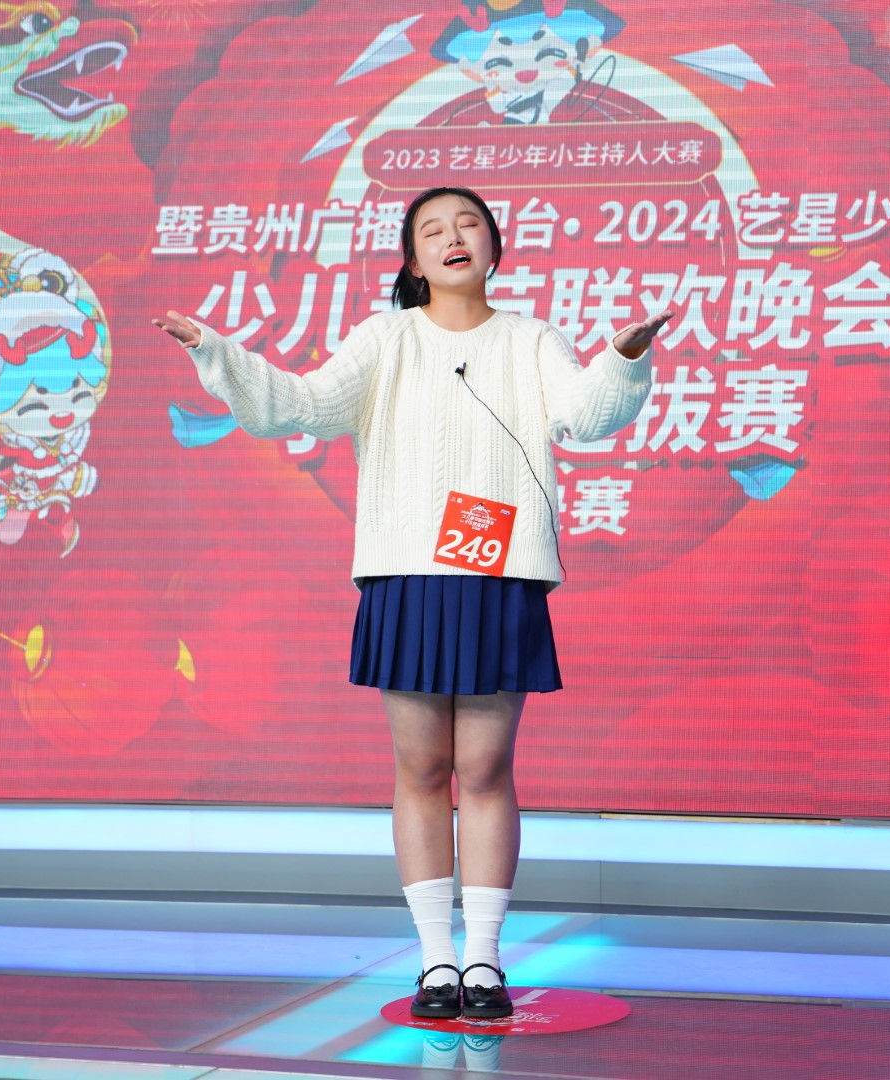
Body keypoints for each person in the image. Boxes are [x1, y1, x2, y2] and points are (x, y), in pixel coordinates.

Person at [154, 186, 671, 1020]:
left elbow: (585, 415)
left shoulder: (532, 339)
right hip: (407, 576)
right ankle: (436, 962)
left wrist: (624, 356)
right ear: (414, 260)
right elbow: (303, 405)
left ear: (494, 245)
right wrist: (216, 352)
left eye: (468, 224)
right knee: (423, 770)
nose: (453, 237)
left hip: (499, 576)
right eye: (433, 230)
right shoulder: (385, 338)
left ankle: (484, 960)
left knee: (486, 769)